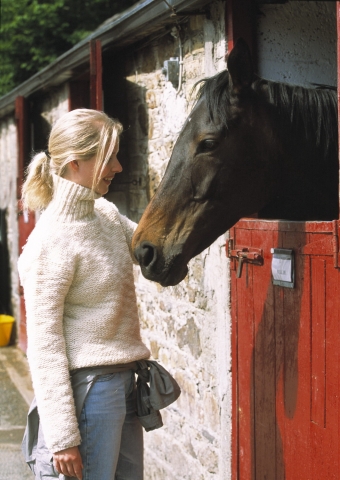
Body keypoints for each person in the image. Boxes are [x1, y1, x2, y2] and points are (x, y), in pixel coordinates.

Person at [18, 109, 180, 480]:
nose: (119, 167)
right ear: (76, 163)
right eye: (109, 158)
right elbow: (44, 345)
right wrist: (62, 436)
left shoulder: (105, 215)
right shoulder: (49, 243)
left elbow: (157, 251)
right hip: (89, 392)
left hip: (125, 384)